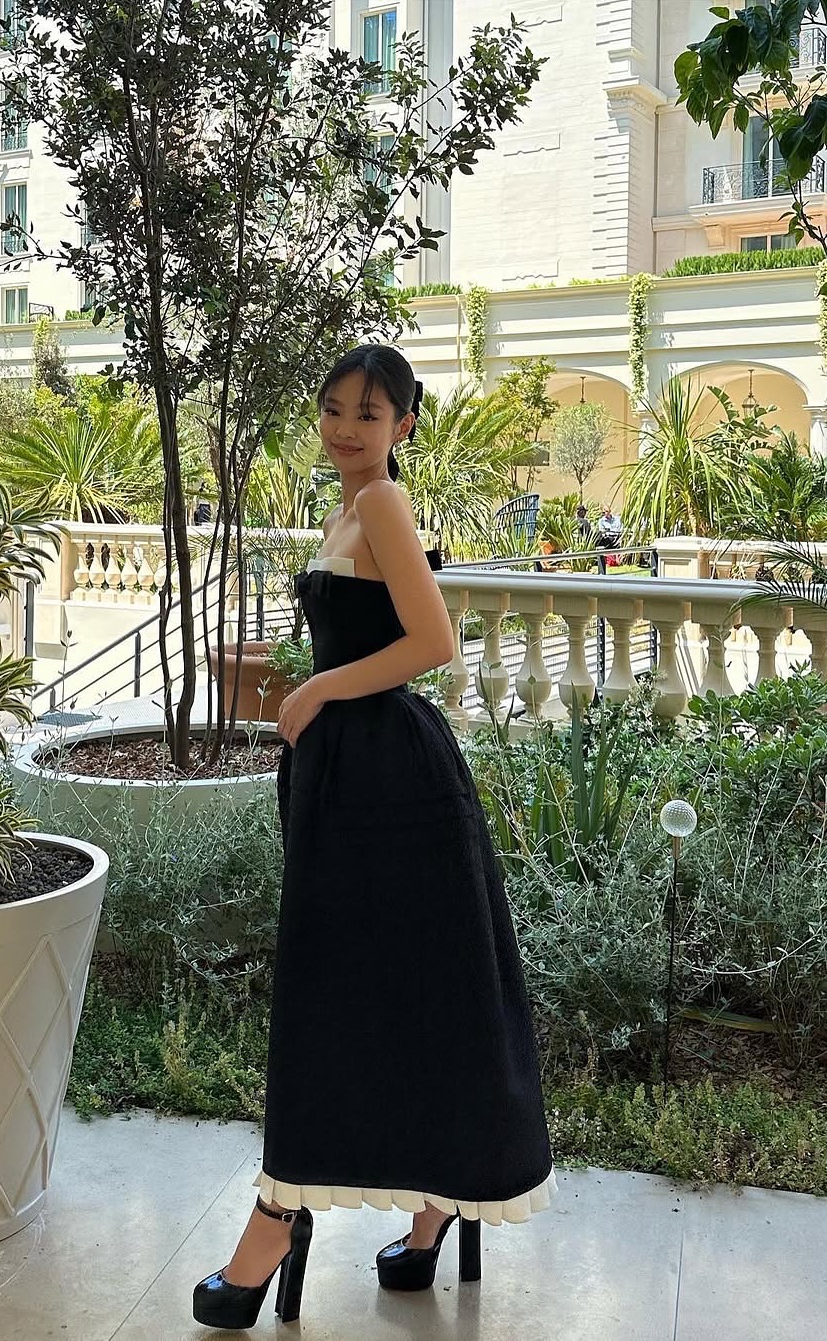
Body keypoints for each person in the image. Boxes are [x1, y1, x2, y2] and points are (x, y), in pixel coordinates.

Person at [192, 345, 556, 1331]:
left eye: (370, 411)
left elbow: (432, 643)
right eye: (334, 408)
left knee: (353, 995)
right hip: (354, 778)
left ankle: (281, 1220)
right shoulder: (349, 508)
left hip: (390, 783)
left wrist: (318, 687)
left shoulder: (384, 503)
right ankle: (428, 1211)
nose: (347, 427)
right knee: (393, 993)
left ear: (404, 425)